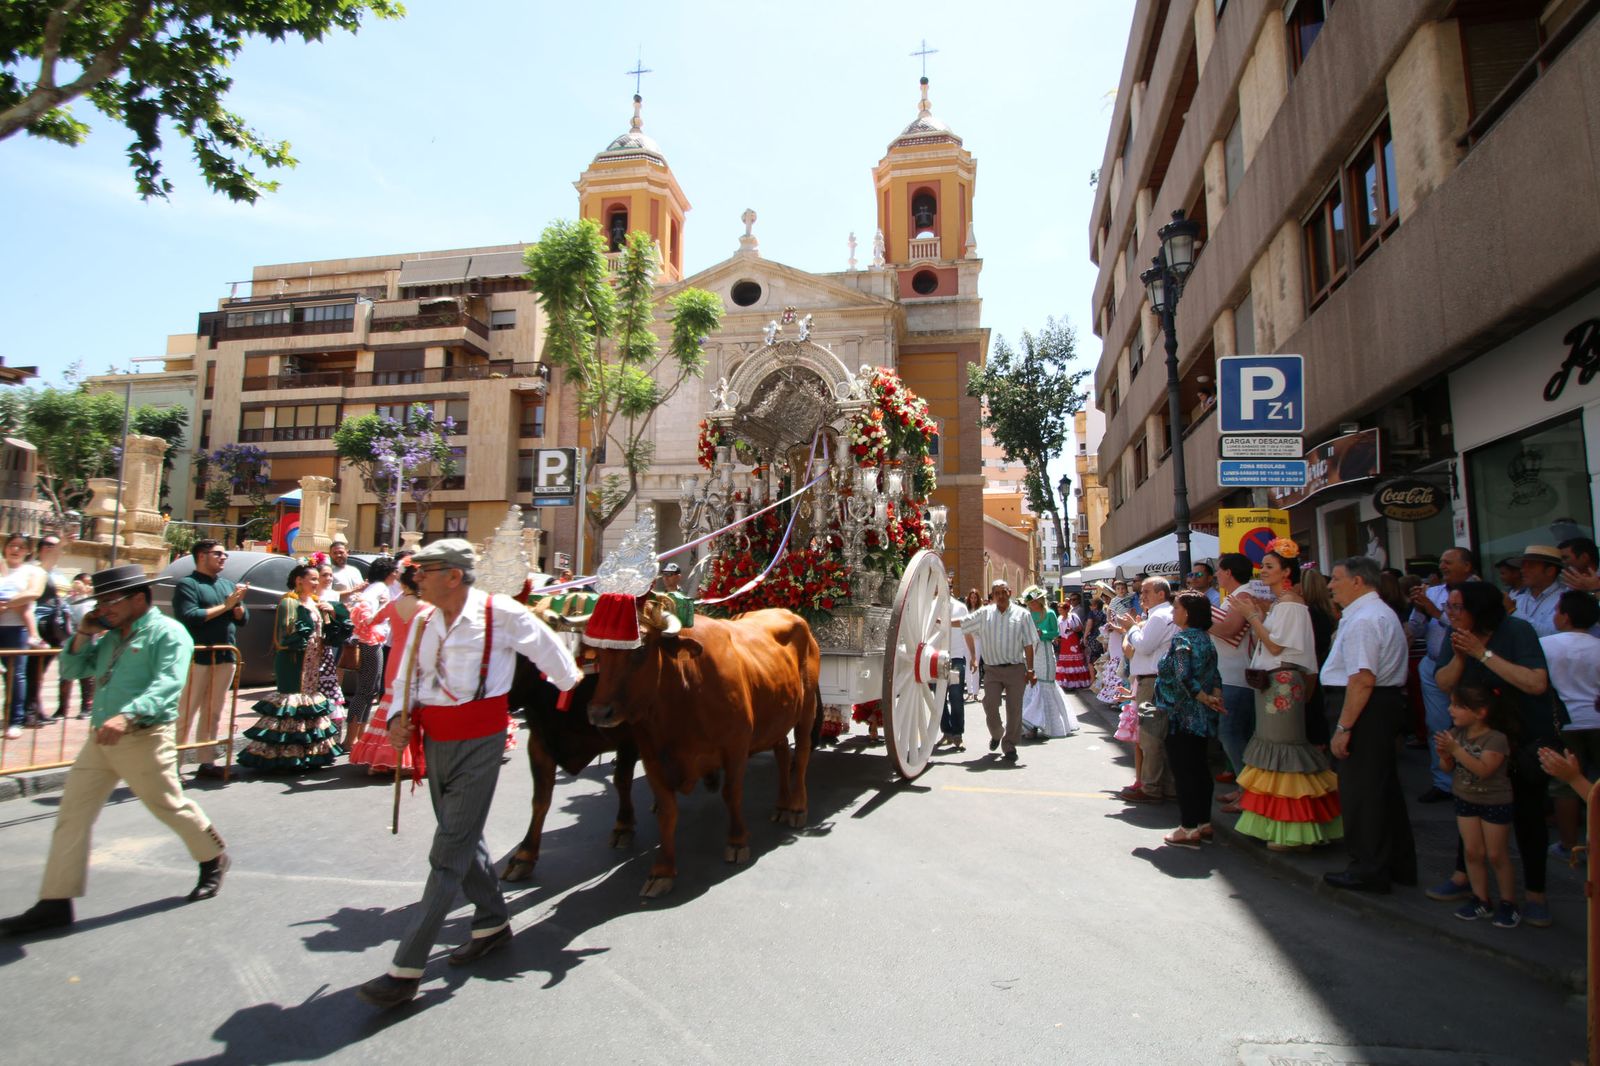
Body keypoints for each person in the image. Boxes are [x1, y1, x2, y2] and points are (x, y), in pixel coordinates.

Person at [357, 539, 581, 1009]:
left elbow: (556, 657)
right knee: (461, 836)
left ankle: (406, 969)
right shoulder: (423, 620)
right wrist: (398, 717)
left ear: (454, 576)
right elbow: (407, 679)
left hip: (481, 740)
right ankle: (493, 922)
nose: (416, 577)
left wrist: (569, 690)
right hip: (435, 740)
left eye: (425, 570)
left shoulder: (501, 613)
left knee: (447, 853)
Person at [0, 565, 229, 936]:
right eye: (100, 602)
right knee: (72, 816)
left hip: (143, 736)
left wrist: (128, 716)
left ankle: (213, 856)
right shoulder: (107, 636)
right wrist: (82, 633)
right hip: (100, 740)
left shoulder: (168, 633)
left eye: (110, 601)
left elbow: (168, 685)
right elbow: (72, 670)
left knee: (169, 806)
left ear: (138, 598)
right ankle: (55, 901)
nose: (102, 609)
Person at [1427, 580, 1558, 927]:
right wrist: (1460, 656)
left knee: (1528, 814)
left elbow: (1536, 683)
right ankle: (1464, 879)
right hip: (1474, 737)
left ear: (1479, 610)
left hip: (1523, 737)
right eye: (1449, 606)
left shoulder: (1517, 631)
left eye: (1457, 607)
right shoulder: (1456, 635)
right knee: (1470, 803)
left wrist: (1482, 654)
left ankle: (1535, 895)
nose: (1450, 613)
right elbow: (1444, 682)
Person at [1231, 541, 1342, 850]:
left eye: (1269, 566)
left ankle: (1291, 829)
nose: (1263, 571)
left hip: (1281, 682)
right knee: (1275, 750)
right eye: (1263, 566)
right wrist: (1260, 614)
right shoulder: (1284, 603)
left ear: (1286, 572)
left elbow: (1276, 646)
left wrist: (1252, 616)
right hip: (1275, 681)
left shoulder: (1291, 604)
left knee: (1283, 751)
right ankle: (1280, 825)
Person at [1320, 555, 1414, 892]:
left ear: (1358, 581)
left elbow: (1362, 679)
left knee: (1363, 792)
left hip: (1366, 707)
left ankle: (1368, 868)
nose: (1331, 586)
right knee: (1380, 788)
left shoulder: (1366, 618)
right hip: (1374, 705)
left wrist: (1343, 728)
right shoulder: (1369, 614)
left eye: (1337, 578)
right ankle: (1394, 864)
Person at [237, 565, 344, 771]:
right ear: (298, 580)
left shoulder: (315, 603)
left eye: (317, 579)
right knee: (292, 699)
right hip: (294, 660)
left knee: (308, 699)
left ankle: (307, 752)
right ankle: (283, 754)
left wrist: (332, 614)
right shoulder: (289, 602)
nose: (316, 583)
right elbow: (287, 634)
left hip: (313, 661)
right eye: (312, 579)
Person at [1435, 684, 1519, 927]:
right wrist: (1444, 755)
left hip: (1494, 802)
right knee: (1472, 852)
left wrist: (1455, 750)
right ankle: (1481, 899)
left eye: (1457, 706)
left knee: (1496, 854)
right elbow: (1446, 768)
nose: (1450, 710)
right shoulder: (1456, 734)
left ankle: (1508, 902)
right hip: (1465, 799)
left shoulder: (1496, 739)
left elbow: (1484, 770)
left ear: (1480, 712)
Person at [1408, 547, 1481, 803]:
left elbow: (1471, 626)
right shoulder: (1433, 592)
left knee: (1472, 724)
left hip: (1468, 665)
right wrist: (1419, 611)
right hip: (1432, 665)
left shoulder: (1479, 592)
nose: (1443, 566)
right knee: (1437, 723)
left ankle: (1476, 779)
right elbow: (1416, 629)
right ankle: (1444, 781)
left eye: (1449, 562)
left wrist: (1435, 612)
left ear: (1467, 566)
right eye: (1441, 562)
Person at [172, 540, 248, 779]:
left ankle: (207, 761)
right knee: (186, 711)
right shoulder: (188, 584)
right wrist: (226, 606)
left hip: (225, 656)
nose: (223, 557)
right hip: (198, 657)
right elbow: (190, 616)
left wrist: (238, 608)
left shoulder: (227, 584)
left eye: (225, 554)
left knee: (213, 711)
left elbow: (243, 619)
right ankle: (172, 766)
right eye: (218, 554)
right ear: (202, 556)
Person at [1156, 590, 1223, 847]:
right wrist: (1214, 696)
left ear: (1187, 613)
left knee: (1184, 771)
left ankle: (1189, 827)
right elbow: (1215, 673)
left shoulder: (1182, 639)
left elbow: (1183, 675)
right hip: (1202, 715)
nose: (1173, 611)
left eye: (1176, 608)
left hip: (1182, 715)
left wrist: (1203, 697)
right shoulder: (1205, 638)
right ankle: (1204, 823)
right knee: (1200, 768)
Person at [350, 562, 428, 775]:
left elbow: (369, 621)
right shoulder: (427, 607)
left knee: (392, 701)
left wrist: (360, 605)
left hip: (395, 658)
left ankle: (381, 757)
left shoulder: (393, 605)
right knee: (413, 702)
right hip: (416, 658)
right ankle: (408, 757)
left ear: (403, 583)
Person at [1541, 590, 1600, 863]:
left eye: (1556, 611)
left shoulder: (1545, 645)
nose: (1554, 615)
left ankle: (1569, 844)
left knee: (1563, 784)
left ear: (1565, 617)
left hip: (1563, 722)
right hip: (1596, 719)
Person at [960, 579, 1037, 764]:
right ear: (992, 596)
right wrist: (942, 621)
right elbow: (964, 624)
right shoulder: (984, 613)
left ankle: (1009, 745)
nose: (1001, 596)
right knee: (990, 703)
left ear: (1010, 592)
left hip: (1015, 669)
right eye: (997, 593)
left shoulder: (1022, 614)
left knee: (1014, 709)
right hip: (992, 670)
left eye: (1004, 592)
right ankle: (997, 732)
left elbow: (1029, 644)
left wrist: (1030, 669)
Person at [1119, 577, 1177, 804]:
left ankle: (1151, 786)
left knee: (1150, 736)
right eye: (1142, 592)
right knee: (1159, 734)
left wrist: (1131, 628)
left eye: (1146, 592)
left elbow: (1143, 646)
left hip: (1152, 682)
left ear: (1161, 594)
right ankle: (1166, 785)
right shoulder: (1163, 614)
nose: (1142, 596)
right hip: (1155, 680)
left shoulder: (1159, 616)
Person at [1210, 553, 1255, 812]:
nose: (1216, 574)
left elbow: (1230, 630)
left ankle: (1248, 793)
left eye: (1219, 570)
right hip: (1230, 675)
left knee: (1230, 734)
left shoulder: (1244, 595)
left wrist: (1200, 619)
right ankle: (1243, 789)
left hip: (1236, 677)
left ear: (1228, 572)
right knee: (1234, 734)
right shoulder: (1237, 596)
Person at [344, 557, 397, 751]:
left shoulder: (378, 588)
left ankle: (358, 736)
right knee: (366, 690)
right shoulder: (379, 588)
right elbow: (362, 609)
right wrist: (368, 625)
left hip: (373, 641)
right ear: (388, 573)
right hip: (370, 642)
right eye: (394, 572)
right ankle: (350, 739)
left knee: (370, 690)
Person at [0, 533, 45, 736]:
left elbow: (33, 593)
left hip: (17, 628)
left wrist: (6, 604)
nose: (15, 550)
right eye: (12, 545)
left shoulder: (33, 571)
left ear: (28, 551)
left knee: (16, 675)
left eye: (21, 546)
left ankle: (14, 721)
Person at [1020, 586, 1078, 739]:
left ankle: (1049, 725)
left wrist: (1043, 633)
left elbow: (1056, 633)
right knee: (1032, 686)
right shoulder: (1027, 615)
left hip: (1045, 651)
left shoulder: (1050, 613)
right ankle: (1031, 726)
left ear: (1039, 600)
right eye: (1029, 602)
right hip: (1031, 652)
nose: (1031, 604)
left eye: (1033, 601)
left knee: (1046, 685)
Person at [25, 535, 70, 724]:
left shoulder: (58, 573)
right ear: (41, 548)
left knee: (39, 673)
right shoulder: (35, 570)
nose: (54, 548)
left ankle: (35, 709)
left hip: (57, 627)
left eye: (56, 545)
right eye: (50, 545)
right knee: (33, 671)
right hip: (41, 625)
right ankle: (30, 712)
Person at [312, 561, 353, 730]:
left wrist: (335, 613)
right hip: (314, 647)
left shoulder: (334, 596)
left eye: (330, 575)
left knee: (333, 676)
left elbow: (343, 624)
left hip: (330, 644)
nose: (329, 578)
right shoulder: (309, 597)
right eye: (324, 575)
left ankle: (329, 725)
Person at [939, 592, 973, 749]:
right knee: (939, 699)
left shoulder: (960, 608)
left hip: (956, 657)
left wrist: (973, 655)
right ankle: (946, 731)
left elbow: (967, 630)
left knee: (956, 697)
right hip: (936, 657)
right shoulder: (930, 606)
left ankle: (957, 734)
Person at [1511, 544, 1565, 637]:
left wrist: (1513, 611)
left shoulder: (1564, 600)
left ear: (1550, 571)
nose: (1523, 570)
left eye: (1530, 566)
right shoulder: (1518, 599)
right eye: (1523, 566)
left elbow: (1553, 635)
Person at [62, 573, 95, 720]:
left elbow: (87, 618)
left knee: (86, 677)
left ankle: (86, 707)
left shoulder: (92, 601)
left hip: (89, 641)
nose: (87, 586)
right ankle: (62, 708)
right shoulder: (68, 600)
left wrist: (84, 595)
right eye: (84, 583)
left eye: (90, 584)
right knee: (65, 676)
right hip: (70, 640)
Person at [1055, 594, 1092, 691]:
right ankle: (1066, 682)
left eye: (1061, 610)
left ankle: (1078, 682)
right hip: (1064, 641)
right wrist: (1057, 638)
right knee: (1064, 662)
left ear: (1066, 609)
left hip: (1073, 640)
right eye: (1059, 610)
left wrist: (1072, 629)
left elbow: (1080, 627)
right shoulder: (1059, 618)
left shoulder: (1073, 616)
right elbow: (1058, 630)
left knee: (1076, 661)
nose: (1059, 611)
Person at [327, 535, 365, 601]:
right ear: (330, 555)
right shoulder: (328, 572)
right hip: (340, 607)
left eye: (341, 552)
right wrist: (352, 591)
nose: (338, 555)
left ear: (347, 553)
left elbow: (362, 590)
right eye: (335, 553)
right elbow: (327, 595)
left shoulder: (355, 570)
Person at [658, 562, 694, 629]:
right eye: (664, 574)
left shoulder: (685, 597)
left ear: (678, 577)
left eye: (669, 574)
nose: (666, 577)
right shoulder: (659, 597)